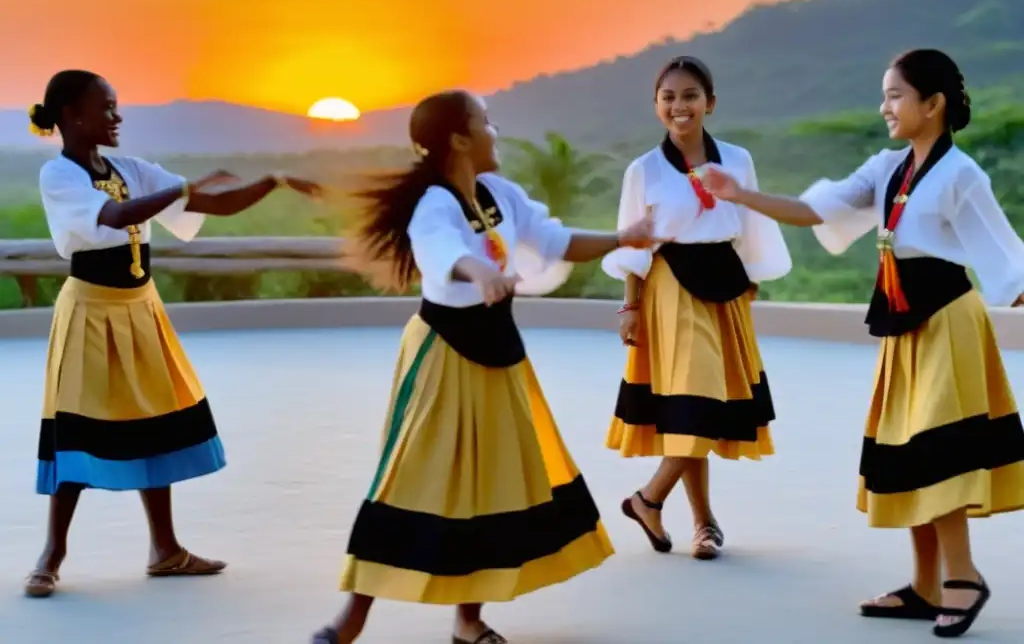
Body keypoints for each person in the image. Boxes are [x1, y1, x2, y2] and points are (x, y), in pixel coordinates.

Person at [309, 89, 664, 644]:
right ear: (458, 139)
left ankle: (468, 623)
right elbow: (443, 251)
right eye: (485, 122)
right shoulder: (436, 203)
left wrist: (623, 238)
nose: (494, 131)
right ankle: (349, 621)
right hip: (444, 352)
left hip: (498, 351)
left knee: (492, 485)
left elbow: (556, 240)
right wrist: (482, 275)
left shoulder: (498, 193)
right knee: (410, 479)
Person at [699, 48, 1024, 638]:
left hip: (949, 324)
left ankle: (963, 577)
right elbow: (810, 210)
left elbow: (1009, 260)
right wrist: (738, 194)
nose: (884, 107)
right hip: (905, 330)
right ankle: (927, 585)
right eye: (885, 95)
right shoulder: (887, 167)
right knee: (906, 449)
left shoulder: (962, 175)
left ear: (934, 104)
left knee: (941, 449)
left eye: (895, 95)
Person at [23, 69, 323, 598]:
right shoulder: (61, 175)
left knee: (154, 419)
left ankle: (165, 550)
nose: (117, 117)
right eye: (107, 108)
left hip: (140, 309)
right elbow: (114, 215)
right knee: (78, 428)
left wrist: (273, 180)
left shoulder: (129, 169)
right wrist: (184, 187)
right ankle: (53, 553)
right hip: (91, 312)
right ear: (72, 116)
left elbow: (214, 202)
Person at [601, 56, 792, 560]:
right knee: (698, 403)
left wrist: (750, 281)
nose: (678, 106)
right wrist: (630, 306)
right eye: (668, 97)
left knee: (693, 409)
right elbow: (633, 244)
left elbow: (750, 221)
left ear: (710, 102)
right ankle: (650, 499)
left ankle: (700, 523)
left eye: (689, 95)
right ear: (656, 106)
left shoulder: (736, 159)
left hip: (725, 283)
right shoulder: (643, 170)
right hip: (670, 286)